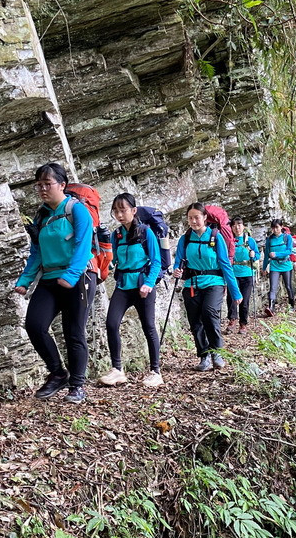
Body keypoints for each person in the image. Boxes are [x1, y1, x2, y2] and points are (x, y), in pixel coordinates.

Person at [13, 163, 97, 404]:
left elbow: (83, 246)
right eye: (38, 185)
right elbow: (36, 252)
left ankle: (77, 386)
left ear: (62, 185)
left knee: (74, 331)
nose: (42, 189)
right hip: (50, 279)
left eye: (47, 184)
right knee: (35, 325)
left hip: (79, 278)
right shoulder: (42, 215)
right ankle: (58, 373)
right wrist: (25, 280)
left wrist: (70, 276)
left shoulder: (77, 210)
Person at [99, 193, 163, 388]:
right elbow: (112, 261)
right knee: (111, 323)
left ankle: (156, 371)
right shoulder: (116, 235)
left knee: (149, 327)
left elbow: (157, 262)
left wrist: (149, 284)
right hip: (124, 285)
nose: (119, 214)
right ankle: (117, 370)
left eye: (123, 210)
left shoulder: (146, 232)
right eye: (116, 211)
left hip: (143, 285)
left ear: (133, 211)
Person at [172, 203, 242, 371]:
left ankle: (216, 352)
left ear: (204, 218)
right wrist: (176, 270)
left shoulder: (215, 236)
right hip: (192, 283)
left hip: (214, 282)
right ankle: (204, 356)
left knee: (209, 313)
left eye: (197, 217)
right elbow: (179, 260)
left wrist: (235, 292)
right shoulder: (186, 238)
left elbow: (225, 264)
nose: (194, 221)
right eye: (190, 218)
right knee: (195, 321)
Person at [226, 217, 259, 333]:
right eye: (234, 225)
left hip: (247, 273)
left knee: (244, 300)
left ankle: (243, 323)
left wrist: (253, 255)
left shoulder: (250, 241)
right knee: (231, 298)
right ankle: (232, 320)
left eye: (239, 225)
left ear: (243, 226)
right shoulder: (229, 241)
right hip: (233, 274)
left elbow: (257, 256)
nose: (237, 227)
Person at [261, 218, 295, 315]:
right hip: (274, 265)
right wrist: (264, 268)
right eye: (273, 228)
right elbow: (267, 254)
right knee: (273, 287)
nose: (275, 230)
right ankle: (271, 308)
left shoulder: (287, 237)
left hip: (286, 265)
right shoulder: (269, 239)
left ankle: (291, 305)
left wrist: (276, 254)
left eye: (277, 227)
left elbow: (289, 251)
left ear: (281, 227)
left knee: (288, 286)